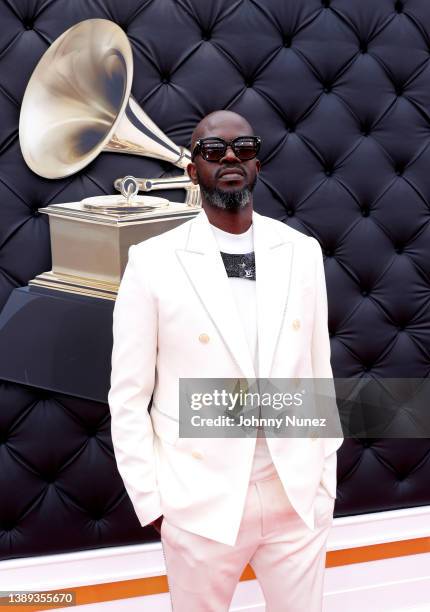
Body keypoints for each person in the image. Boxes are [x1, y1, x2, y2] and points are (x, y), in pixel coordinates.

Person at [108, 110, 344, 611]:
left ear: (257, 163)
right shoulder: (151, 262)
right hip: (199, 502)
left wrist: (324, 479)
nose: (230, 157)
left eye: (243, 147)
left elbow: (316, 371)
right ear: (193, 171)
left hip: (296, 496)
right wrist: (154, 505)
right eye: (213, 151)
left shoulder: (302, 252)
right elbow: (128, 397)